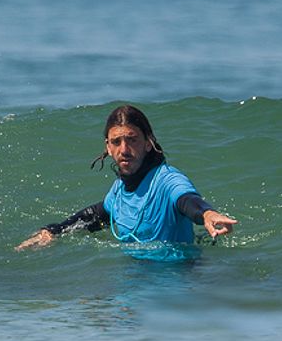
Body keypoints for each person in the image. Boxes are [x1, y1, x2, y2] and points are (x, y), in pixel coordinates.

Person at [17, 104, 237, 255]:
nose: (124, 149)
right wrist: (53, 231)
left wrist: (206, 214)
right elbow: (96, 215)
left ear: (148, 143)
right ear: (108, 147)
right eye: (116, 141)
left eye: (132, 140)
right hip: (137, 280)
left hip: (180, 277)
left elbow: (187, 201)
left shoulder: (167, 180)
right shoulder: (119, 191)